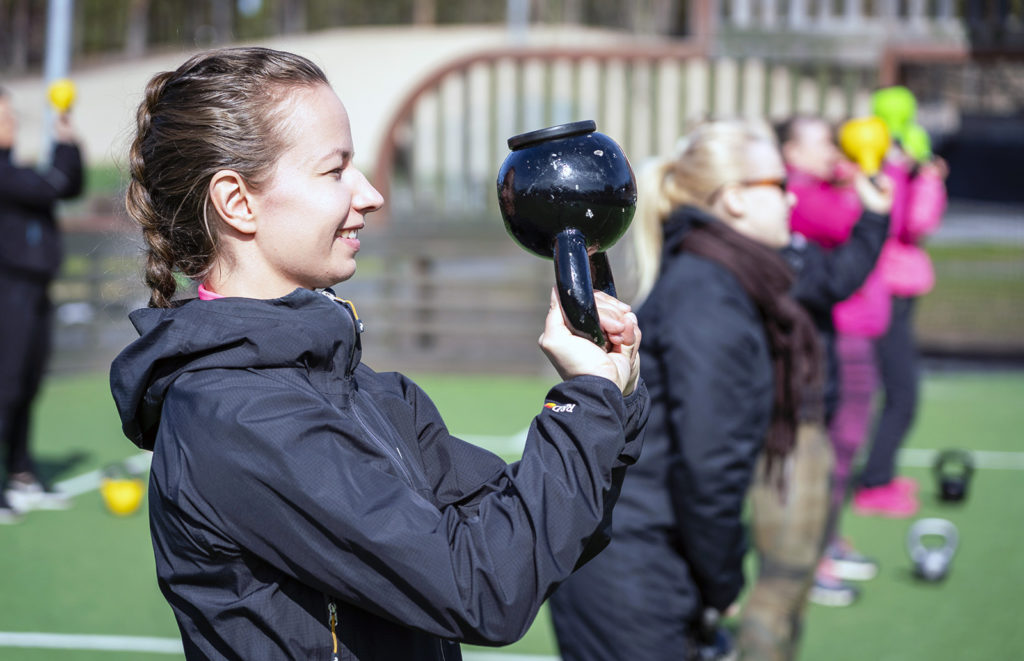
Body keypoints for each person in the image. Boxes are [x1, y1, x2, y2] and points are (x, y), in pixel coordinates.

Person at [108, 47, 649, 661]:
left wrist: (614, 390)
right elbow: (485, 589)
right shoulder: (236, 417)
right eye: (334, 171)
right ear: (237, 201)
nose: (369, 195)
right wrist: (585, 407)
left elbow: (532, 535)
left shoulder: (368, 390)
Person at [549, 120, 821, 661]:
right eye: (778, 183)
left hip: (640, 566)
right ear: (736, 199)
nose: (792, 197)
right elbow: (710, 466)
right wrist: (723, 585)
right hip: (630, 579)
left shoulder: (718, 281)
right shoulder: (708, 298)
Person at [775, 114, 893, 606]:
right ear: (791, 153)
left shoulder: (822, 186)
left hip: (832, 337)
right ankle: (805, 560)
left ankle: (822, 543)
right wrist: (869, 190)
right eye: (823, 139)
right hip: (818, 343)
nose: (835, 148)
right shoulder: (801, 195)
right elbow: (844, 235)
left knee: (830, 452)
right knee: (812, 458)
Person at [853, 86, 947, 518]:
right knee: (901, 392)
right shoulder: (889, 168)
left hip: (888, 288)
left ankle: (880, 474)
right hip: (886, 291)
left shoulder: (874, 163)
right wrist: (927, 180)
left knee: (891, 388)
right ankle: (875, 481)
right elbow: (914, 224)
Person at [0, 86, 83, 522]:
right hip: (8, 289)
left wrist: (66, 137)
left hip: (31, 291)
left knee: (26, 385)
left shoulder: (14, 172)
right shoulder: (6, 176)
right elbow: (54, 185)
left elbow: (66, 186)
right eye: (4, 113)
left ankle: (21, 474)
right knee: (7, 386)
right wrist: (63, 149)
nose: (11, 120)